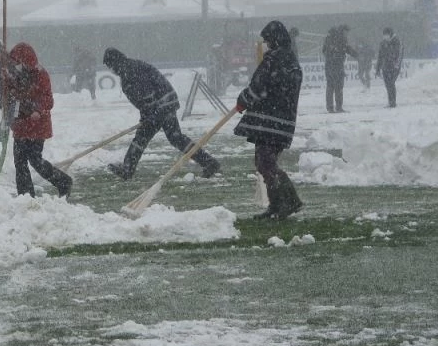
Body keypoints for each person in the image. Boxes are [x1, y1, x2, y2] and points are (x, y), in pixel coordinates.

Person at [102, 47, 221, 180]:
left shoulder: (129, 71)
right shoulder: (129, 68)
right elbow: (143, 99)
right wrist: (146, 117)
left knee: (150, 137)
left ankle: (127, 169)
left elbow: (147, 95)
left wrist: (151, 116)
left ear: (115, 62)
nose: (111, 70)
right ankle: (209, 162)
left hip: (162, 105)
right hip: (163, 104)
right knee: (170, 137)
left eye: (110, 66)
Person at [234, 20, 303, 220]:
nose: (266, 44)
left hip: (270, 120)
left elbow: (259, 86)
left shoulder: (274, 59)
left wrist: (243, 100)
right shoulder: (291, 59)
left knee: (265, 162)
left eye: (267, 40)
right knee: (265, 161)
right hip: (283, 121)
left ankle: (289, 201)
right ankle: (276, 205)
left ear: (275, 40)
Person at [4, 42, 72, 198]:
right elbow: (11, 96)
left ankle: (63, 181)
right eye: (15, 62)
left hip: (37, 125)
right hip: (20, 123)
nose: (17, 65)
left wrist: (37, 110)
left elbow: (48, 99)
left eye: (19, 62)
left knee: (35, 160)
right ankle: (25, 195)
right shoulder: (13, 75)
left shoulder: (40, 74)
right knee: (20, 161)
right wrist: (5, 82)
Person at [322, 24, 357, 113]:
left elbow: (324, 50)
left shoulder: (330, 38)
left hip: (330, 65)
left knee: (331, 86)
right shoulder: (340, 38)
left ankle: (331, 107)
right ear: (343, 31)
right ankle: (338, 107)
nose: (347, 34)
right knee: (337, 87)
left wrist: (355, 54)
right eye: (346, 32)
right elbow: (346, 49)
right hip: (336, 65)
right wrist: (356, 54)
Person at [375, 27, 403, 108]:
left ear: (390, 34)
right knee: (388, 84)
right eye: (384, 35)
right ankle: (390, 102)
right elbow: (380, 56)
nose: (385, 36)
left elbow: (398, 55)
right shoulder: (383, 43)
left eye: (386, 34)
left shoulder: (397, 42)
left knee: (391, 83)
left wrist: (396, 64)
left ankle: (393, 102)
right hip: (385, 66)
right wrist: (378, 69)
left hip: (394, 67)